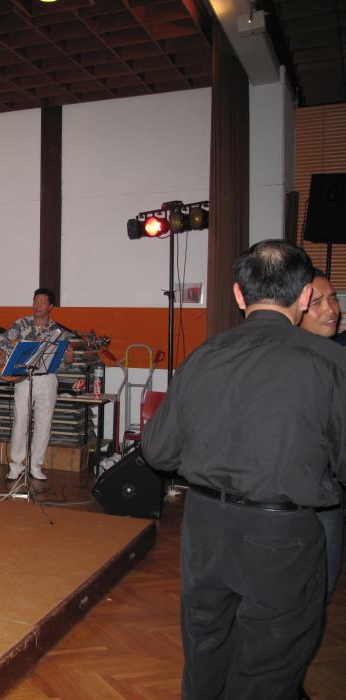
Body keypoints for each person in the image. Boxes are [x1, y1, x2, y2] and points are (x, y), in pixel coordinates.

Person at [143, 240, 346, 699]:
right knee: (269, 667)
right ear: (305, 296)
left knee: (205, 650)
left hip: (204, 527)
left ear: (239, 294)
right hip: (282, 535)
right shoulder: (330, 362)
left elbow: (157, 452)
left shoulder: (203, 356)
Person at [299, 269, 344, 601]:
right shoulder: (284, 359)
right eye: (317, 302)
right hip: (290, 492)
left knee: (323, 585)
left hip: (328, 488)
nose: (331, 309)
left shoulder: (340, 354)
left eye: (333, 298)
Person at [0, 288, 73, 482]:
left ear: (51, 306)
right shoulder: (21, 324)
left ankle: (36, 465)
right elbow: (2, 342)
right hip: (23, 377)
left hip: (47, 378)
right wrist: (21, 349)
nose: (37, 305)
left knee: (44, 424)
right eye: (35, 301)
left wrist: (69, 359)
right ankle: (16, 465)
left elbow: (62, 364)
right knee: (21, 420)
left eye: (42, 302)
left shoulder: (59, 332)